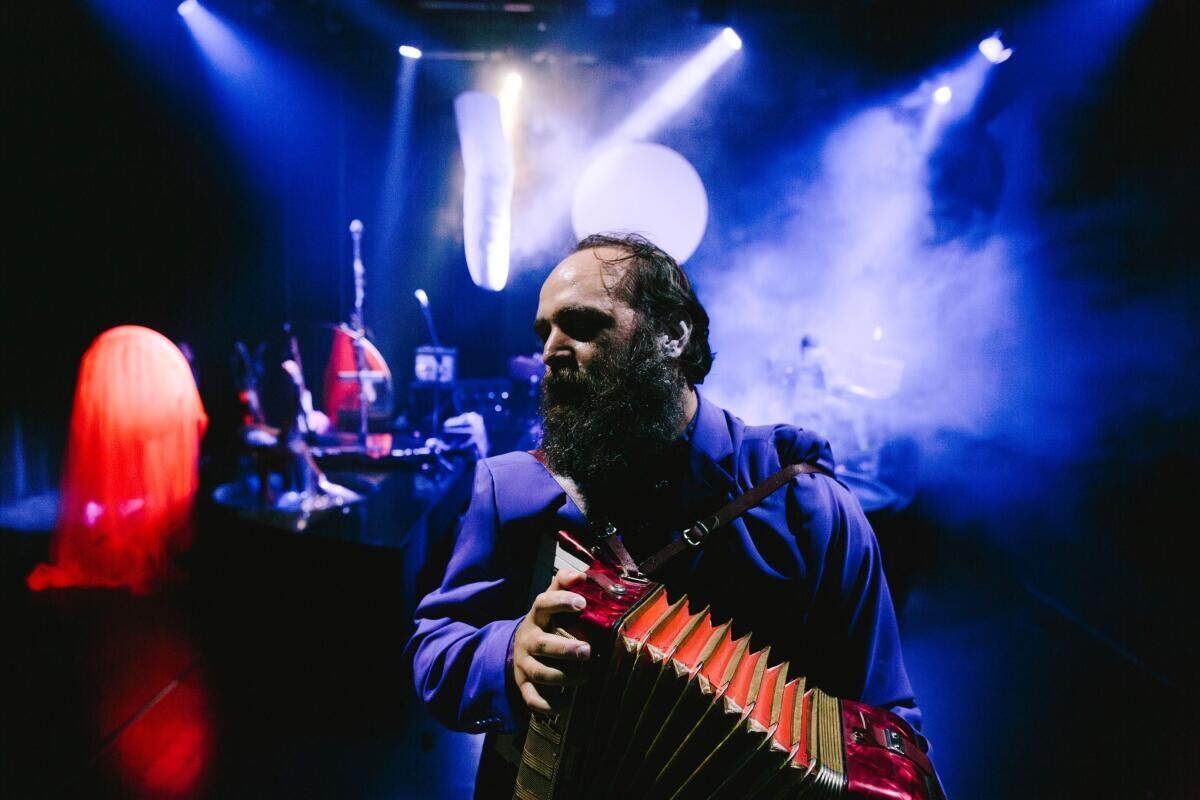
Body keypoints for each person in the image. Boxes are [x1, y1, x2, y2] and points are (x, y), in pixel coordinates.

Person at [405, 234, 926, 797]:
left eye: (581, 324)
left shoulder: (807, 507)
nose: (550, 351)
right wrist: (509, 655)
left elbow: (889, 723)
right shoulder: (513, 490)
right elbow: (435, 650)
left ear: (673, 335)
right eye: (544, 332)